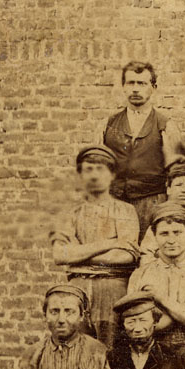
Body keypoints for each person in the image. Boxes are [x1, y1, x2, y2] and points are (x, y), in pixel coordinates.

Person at [52, 145, 141, 347]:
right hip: (77, 288)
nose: (94, 175)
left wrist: (78, 254)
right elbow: (59, 254)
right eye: (88, 169)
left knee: (110, 351)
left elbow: (126, 256)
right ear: (80, 175)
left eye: (100, 169)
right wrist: (109, 243)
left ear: (111, 174)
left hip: (112, 288)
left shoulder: (125, 210)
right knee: (74, 348)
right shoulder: (71, 214)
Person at [102, 61, 185, 236]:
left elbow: (177, 172)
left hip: (152, 202)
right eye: (130, 83)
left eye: (141, 83)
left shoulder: (166, 125)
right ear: (123, 87)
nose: (135, 89)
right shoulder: (108, 124)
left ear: (153, 88)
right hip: (114, 202)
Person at [127, 202, 185, 350]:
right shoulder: (140, 275)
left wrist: (160, 299)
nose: (171, 240)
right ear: (155, 236)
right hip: (153, 354)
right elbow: (139, 327)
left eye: (177, 232)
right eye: (164, 233)